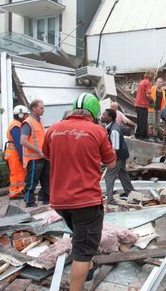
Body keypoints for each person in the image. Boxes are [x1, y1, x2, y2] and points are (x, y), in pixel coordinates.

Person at [43, 93, 116, 291]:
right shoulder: (97, 131)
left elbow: (47, 155)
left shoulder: (53, 129)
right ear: (94, 113)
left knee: (81, 236)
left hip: (59, 202)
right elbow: (111, 162)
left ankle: (90, 267)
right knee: (82, 252)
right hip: (85, 202)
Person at [100, 108, 135, 204]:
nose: (101, 117)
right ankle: (131, 192)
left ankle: (110, 199)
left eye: (104, 115)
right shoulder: (111, 126)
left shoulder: (114, 130)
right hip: (122, 154)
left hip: (118, 156)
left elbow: (115, 148)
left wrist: (109, 160)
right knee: (122, 173)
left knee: (109, 176)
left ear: (110, 118)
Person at [20, 99, 49, 208]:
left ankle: (47, 199)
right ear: (33, 108)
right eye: (41, 108)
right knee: (32, 181)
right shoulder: (28, 122)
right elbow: (23, 141)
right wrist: (39, 151)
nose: (43, 110)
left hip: (42, 156)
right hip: (34, 158)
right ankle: (29, 201)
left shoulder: (40, 121)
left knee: (46, 179)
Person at [4, 105, 30, 198]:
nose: (27, 116)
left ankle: (20, 190)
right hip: (14, 154)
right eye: (26, 114)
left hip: (13, 153)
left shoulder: (16, 124)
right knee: (16, 173)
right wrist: (22, 156)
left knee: (19, 173)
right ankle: (15, 193)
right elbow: (19, 143)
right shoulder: (16, 126)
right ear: (20, 115)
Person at [134, 70, 155, 139]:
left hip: (138, 104)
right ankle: (141, 136)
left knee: (140, 120)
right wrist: (153, 100)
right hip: (143, 104)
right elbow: (148, 95)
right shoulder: (148, 83)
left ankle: (139, 134)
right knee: (143, 121)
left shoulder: (142, 81)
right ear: (151, 76)